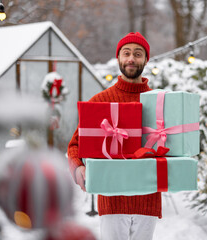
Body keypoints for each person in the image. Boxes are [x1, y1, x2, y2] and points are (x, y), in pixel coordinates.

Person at [67, 32, 161, 240]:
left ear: (146, 59)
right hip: (112, 199)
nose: (131, 59)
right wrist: (78, 167)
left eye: (138, 54)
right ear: (118, 58)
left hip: (148, 198)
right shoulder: (100, 101)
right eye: (126, 53)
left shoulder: (159, 103)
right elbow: (74, 145)